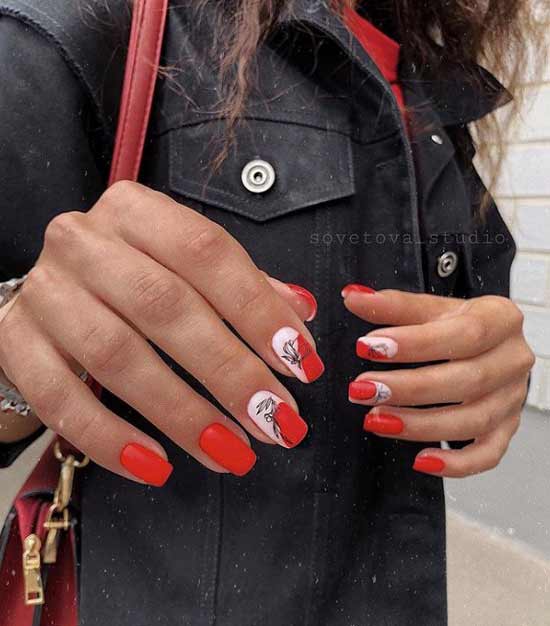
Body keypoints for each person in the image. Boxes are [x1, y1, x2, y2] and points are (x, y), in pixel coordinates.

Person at [0, 0, 540, 623]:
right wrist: (21, 349)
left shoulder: (429, 72)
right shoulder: (97, 21)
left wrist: (492, 374)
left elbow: (472, 312)